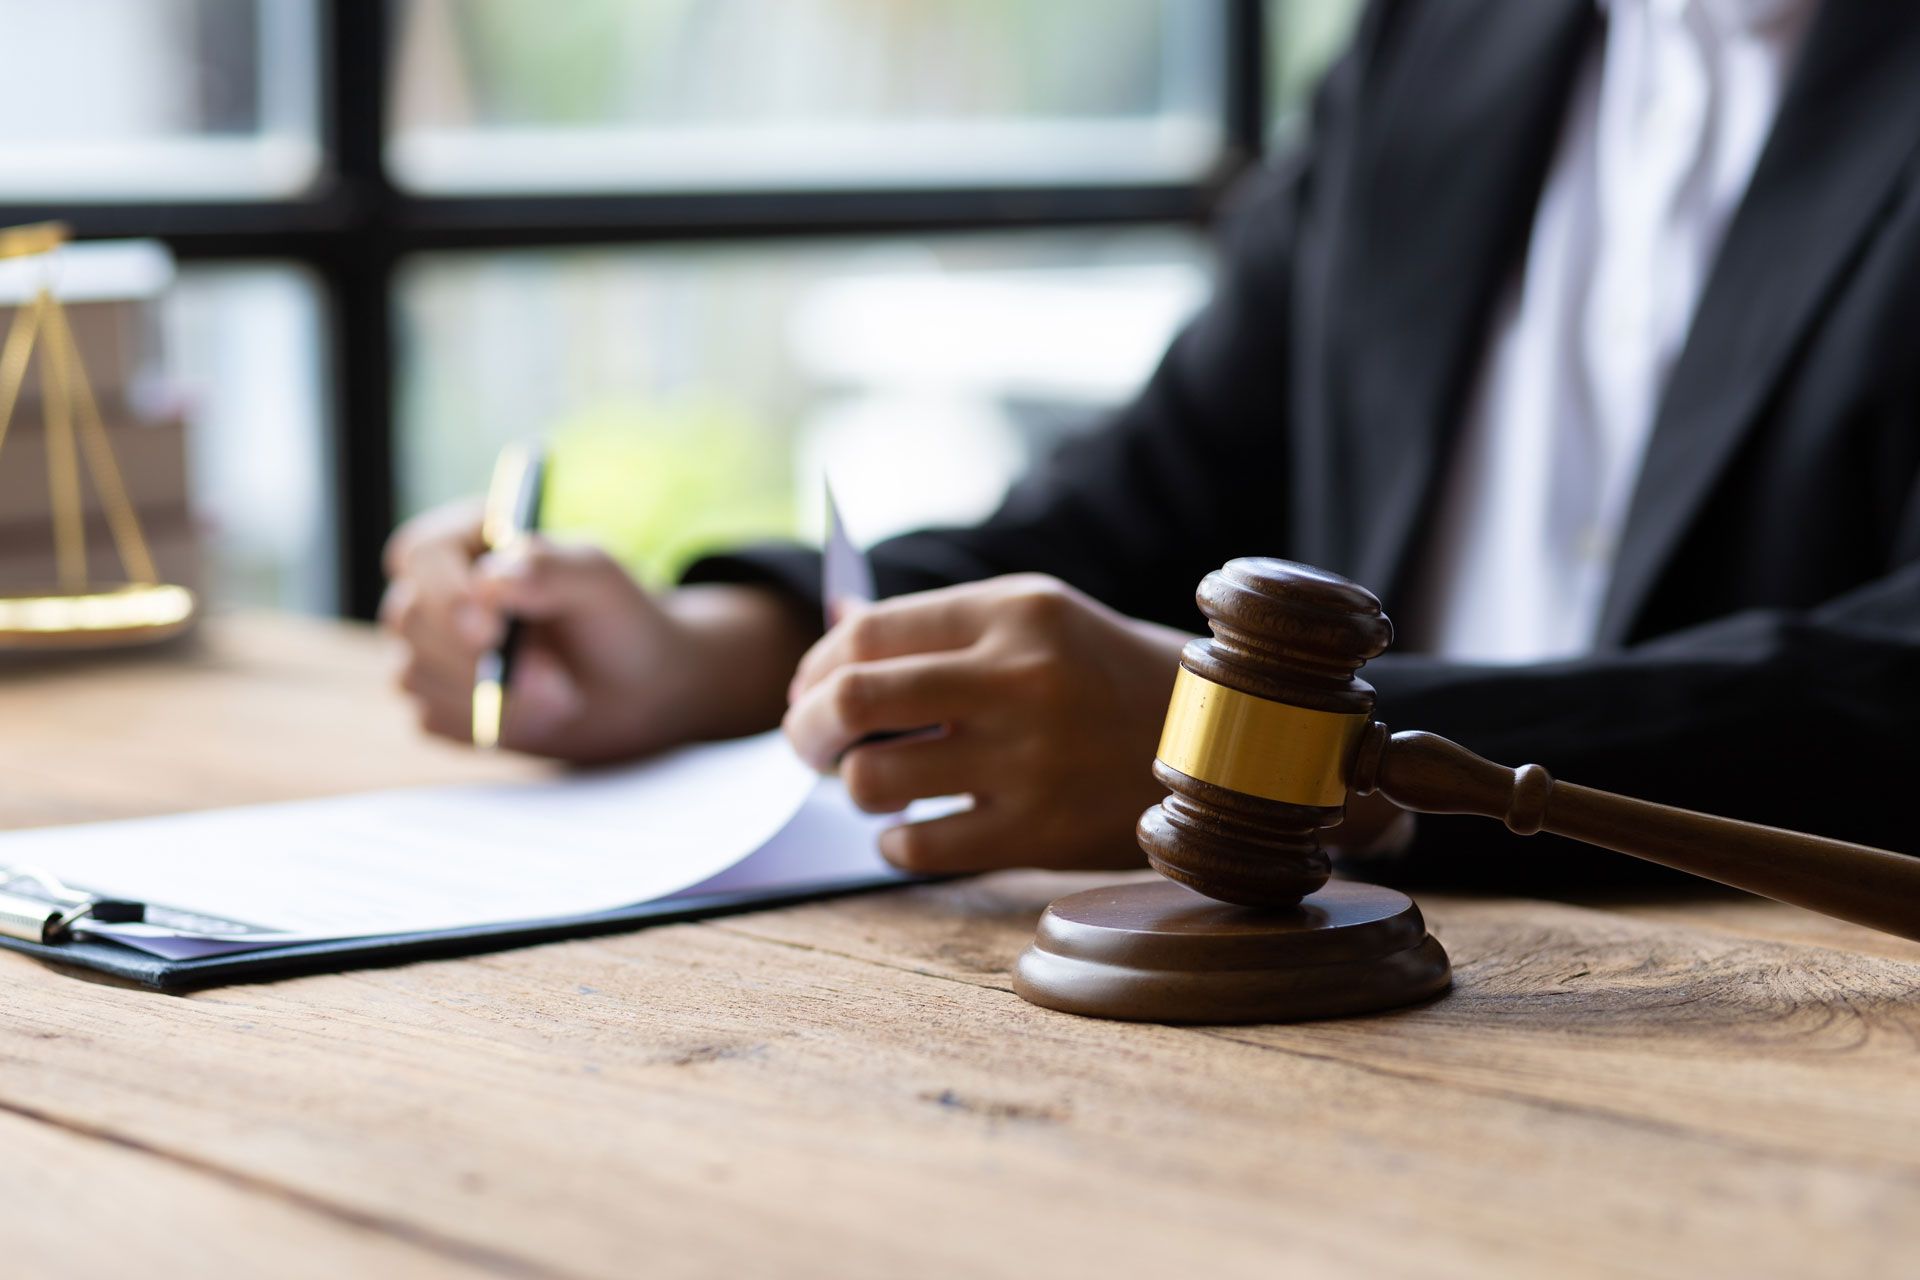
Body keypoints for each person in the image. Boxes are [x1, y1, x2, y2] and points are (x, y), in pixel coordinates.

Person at [382, 0, 1920, 888]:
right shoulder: (1450, 41)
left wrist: (1281, 759)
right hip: (1365, 1035)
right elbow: (1155, 495)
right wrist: (717, 645)